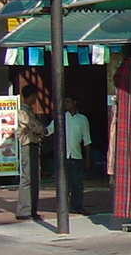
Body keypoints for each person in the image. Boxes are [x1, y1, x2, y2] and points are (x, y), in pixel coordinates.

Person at [50, 97, 91, 213]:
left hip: (76, 156)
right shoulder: (61, 118)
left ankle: (76, 206)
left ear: (74, 102)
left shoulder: (82, 119)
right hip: (63, 157)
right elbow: (49, 130)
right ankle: (63, 207)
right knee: (63, 184)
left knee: (77, 183)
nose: (66, 104)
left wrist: (87, 157)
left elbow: (87, 140)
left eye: (68, 102)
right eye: (65, 102)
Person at [14, 86, 45, 222]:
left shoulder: (30, 111)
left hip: (33, 145)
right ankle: (24, 209)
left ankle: (32, 208)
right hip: (27, 145)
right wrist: (43, 129)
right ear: (30, 96)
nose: (35, 99)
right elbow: (34, 126)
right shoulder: (23, 112)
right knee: (28, 178)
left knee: (34, 177)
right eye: (34, 96)